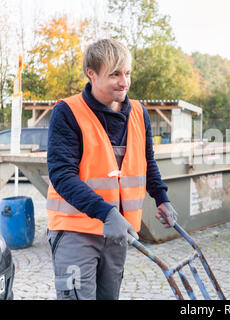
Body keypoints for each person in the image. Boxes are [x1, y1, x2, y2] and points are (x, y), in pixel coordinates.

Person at [46, 39, 178, 300]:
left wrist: (161, 198)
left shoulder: (139, 113)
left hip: (117, 233)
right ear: (91, 74)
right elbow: (61, 175)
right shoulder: (68, 112)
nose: (124, 82)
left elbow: (147, 163)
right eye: (115, 74)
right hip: (76, 231)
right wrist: (105, 212)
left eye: (127, 73)